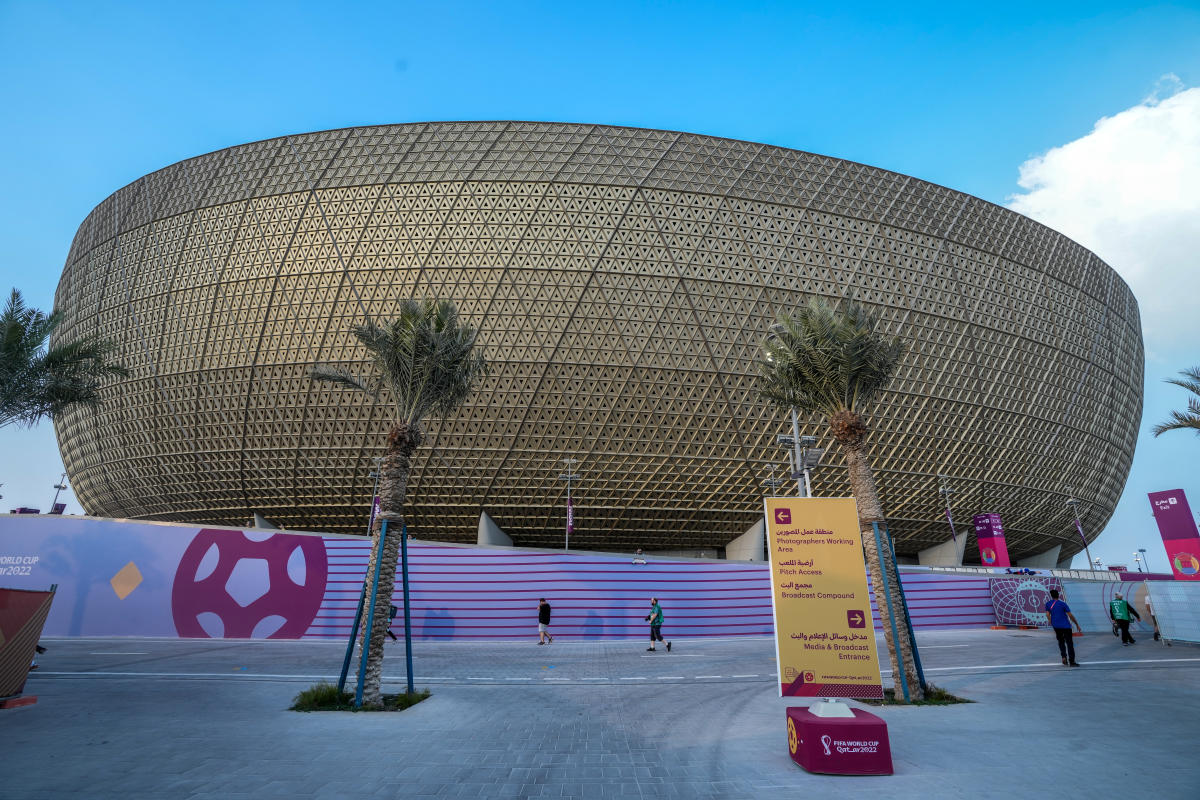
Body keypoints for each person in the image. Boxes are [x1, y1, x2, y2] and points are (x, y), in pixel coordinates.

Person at [1044, 589, 1082, 666]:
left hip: (1056, 626)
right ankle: (1072, 661)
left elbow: (1047, 614)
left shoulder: (1048, 604)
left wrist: (1051, 621)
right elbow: (1070, 615)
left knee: (1061, 641)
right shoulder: (1063, 604)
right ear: (1058, 595)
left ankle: (1063, 656)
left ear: (1051, 596)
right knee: (1069, 643)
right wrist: (1077, 624)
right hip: (1066, 626)